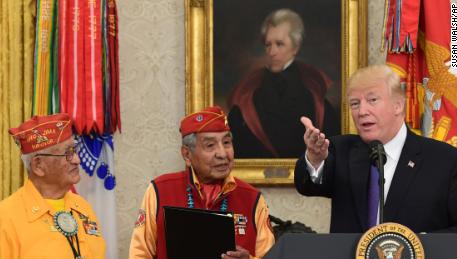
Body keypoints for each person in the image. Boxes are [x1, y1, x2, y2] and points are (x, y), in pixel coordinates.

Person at [294, 65, 457, 233]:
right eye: (355, 103)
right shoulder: (339, 150)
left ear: (398, 105)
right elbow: (307, 186)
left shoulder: (446, 161)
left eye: (372, 100)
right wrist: (314, 159)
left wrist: (421, 244)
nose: (362, 111)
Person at [129, 106, 275, 259]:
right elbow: (139, 254)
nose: (222, 153)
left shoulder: (252, 199)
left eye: (226, 142)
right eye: (210, 145)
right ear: (187, 155)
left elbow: (271, 256)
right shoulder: (160, 190)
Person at [228, 8, 340, 159]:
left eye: (279, 44)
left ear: (295, 47)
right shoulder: (249, 92)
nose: (272, 52)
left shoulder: (313, 94)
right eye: (268, 45)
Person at [0, 113, 106, 258]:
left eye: (74, 150)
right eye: (67, 153)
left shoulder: (83, 207)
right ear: (38, 166)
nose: (77, 160)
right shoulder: (6, 218)